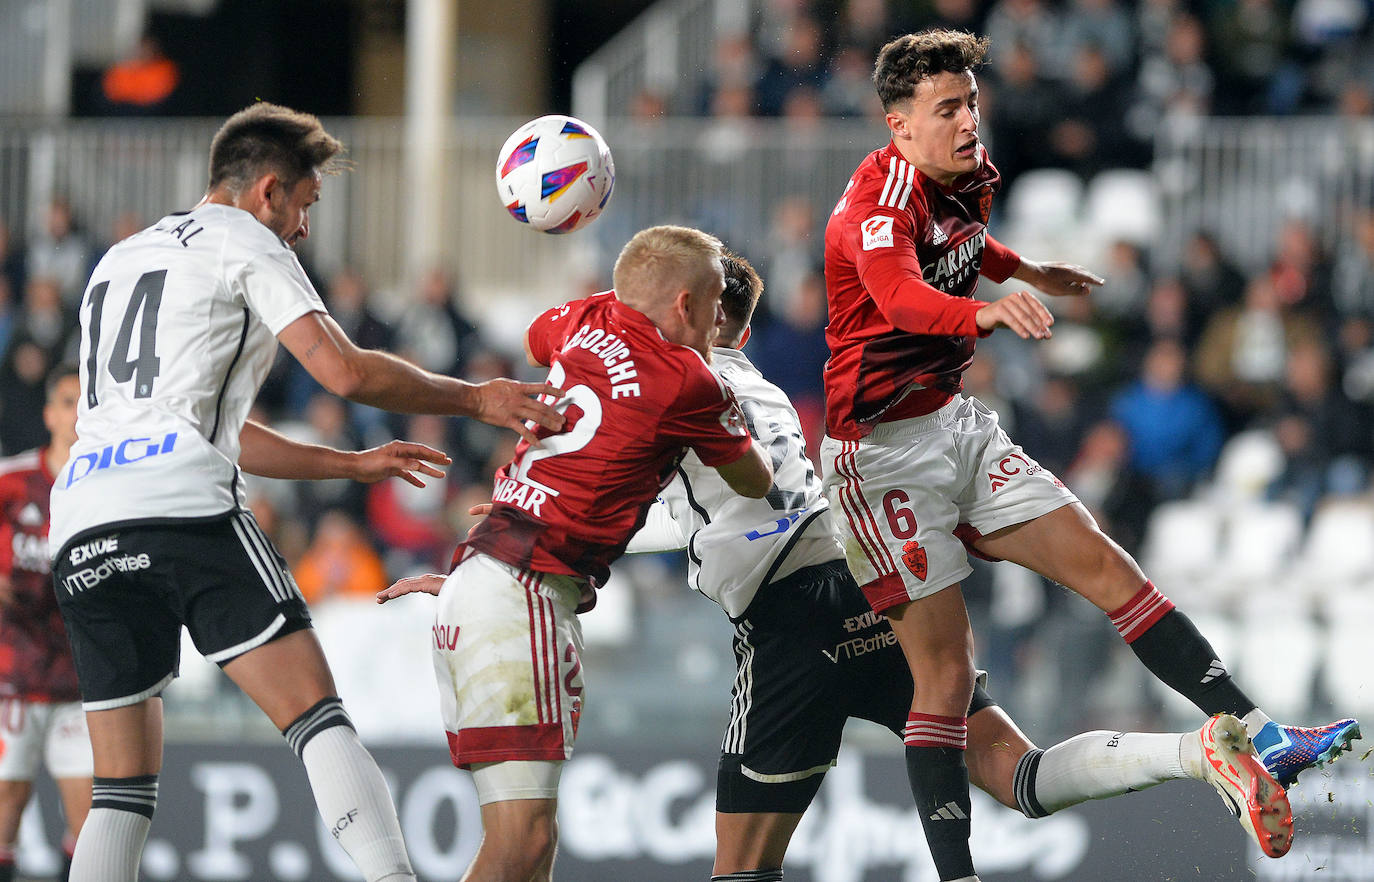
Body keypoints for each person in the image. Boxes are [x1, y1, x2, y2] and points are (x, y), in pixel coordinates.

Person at [820, 30, 1359, 882]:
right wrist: (989, 314)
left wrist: (1025, 268)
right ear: (898, 125)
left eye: (972, 101)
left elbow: (964, 249)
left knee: (1113, 570)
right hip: (879, 458)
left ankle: (1263, 736)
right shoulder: (872, 210)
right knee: (947, 675)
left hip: (956, 425)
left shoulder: (971, 174)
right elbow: (901, 296)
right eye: (947, 109)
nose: (969, 120)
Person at [622, 254, 1294, 879]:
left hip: (788, 623)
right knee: (1021, 776)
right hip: (870, 577)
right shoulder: (759, 386)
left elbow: (629, 489)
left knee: (742, 869)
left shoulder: (664, 383)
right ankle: (1194, 751)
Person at [46, 102, 566, 882]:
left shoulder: (116, 262)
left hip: (83, 519)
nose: (304, 227)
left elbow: (204, 426)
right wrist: (475, 399)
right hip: (180, 507)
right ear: (266, 191)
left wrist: (349, 466)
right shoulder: (244, 239)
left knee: (120, 787)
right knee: (318, 720)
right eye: (305, 203)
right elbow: (345, 371)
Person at [377, 224, 773, 882]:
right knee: (521, 845)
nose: (713, 322)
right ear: (684, 306)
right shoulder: (690, 381)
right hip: (523, 592)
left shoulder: (585, 317)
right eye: (709, 304)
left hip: (486, 575)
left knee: (533, 844)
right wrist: (716, 401)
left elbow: (540, 334)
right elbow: (756, 482)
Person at [0, 365, 89, 881]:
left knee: (90, 819)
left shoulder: (108, 486)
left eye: (86, 401)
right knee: (7, 804)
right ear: (49, 414)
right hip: (13, 673)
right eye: (66, 400)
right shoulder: (12, 482)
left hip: (80, 676)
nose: (78, 411)